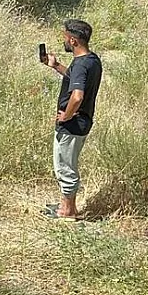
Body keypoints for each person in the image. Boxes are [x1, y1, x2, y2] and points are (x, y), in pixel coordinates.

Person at [42, 19, 102, 220]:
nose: (64, 42)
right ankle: (67, 205)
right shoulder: (92, 60)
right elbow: (75, 77)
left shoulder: (80, 65)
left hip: (72, 125)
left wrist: (65, 117)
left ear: (74, 41)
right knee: (68, 162)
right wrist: (56, 65)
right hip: (83, 122)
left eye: (66, 38)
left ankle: (67, 211)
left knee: (65, 166)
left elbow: (77, 96)